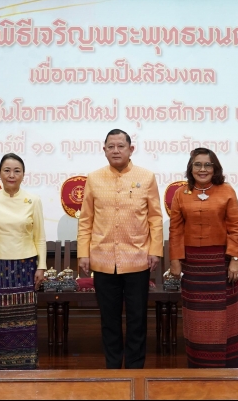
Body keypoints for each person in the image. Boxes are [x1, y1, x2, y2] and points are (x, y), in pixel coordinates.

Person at [77, 128, 163, 369]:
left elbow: (155, 217)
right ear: (104, 150)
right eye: (111, 146)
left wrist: (155, 249)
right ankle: (113, 367)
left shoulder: (146, 177)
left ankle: (135, 369)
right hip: (103, 259)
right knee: (109, 319)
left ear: (130, 149)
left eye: (120, 146)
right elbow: (86, 219)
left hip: (137, 259)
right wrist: (84, 253)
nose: (116, 150)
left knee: (137, 318)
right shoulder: (94, 178)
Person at [168, 148, 238, 368]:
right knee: (196, 315)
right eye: (197, 165)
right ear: (191, 168)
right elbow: (175, 230)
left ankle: (226, 367)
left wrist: (235, 260)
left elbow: (235, 227)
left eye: (207, 165)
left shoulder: (226, 191)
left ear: (215, 167)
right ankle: (199, 365)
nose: (202, 169)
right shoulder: (181, 194)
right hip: (192, 265)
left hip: (221, 263)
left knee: (224, 316)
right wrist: (175, 260)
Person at [0, 153, 46, 370]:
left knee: (25, 319)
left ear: (23, 174)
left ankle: (25, 362)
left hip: (26, 266)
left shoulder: (33, 200)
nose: (11, 175)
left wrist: (41, 266)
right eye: (7, 170)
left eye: (17, 170)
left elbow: (40, 236)